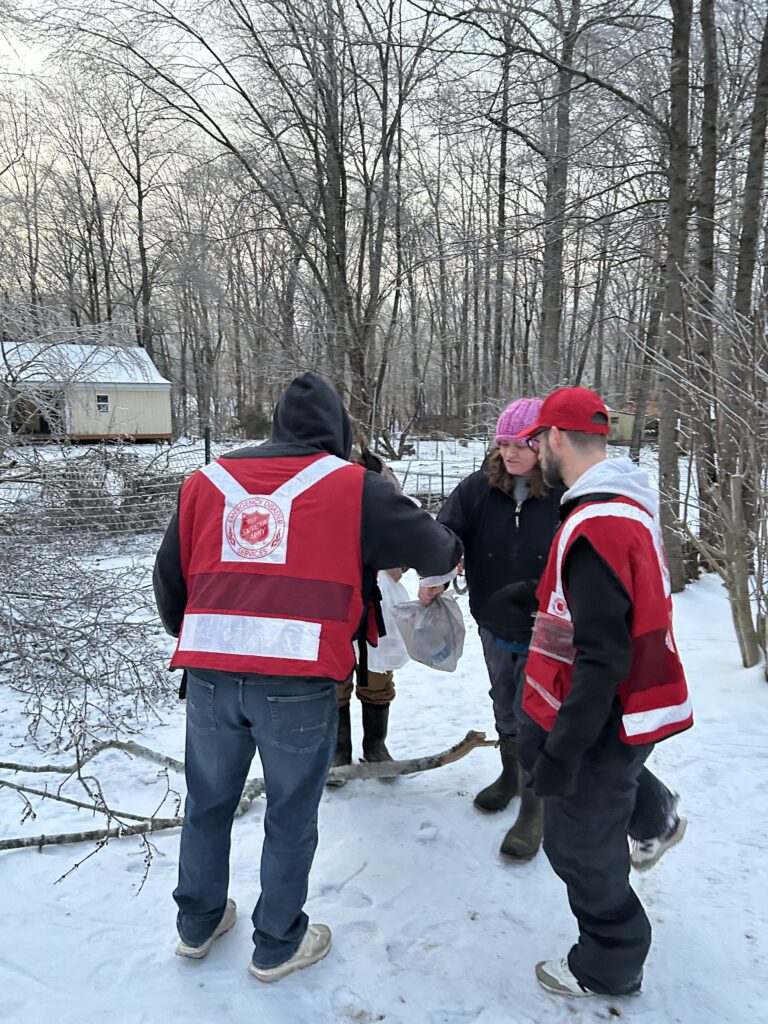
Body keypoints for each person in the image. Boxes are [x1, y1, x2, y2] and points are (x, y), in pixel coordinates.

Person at [153, 372, 462, 982]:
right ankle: (276, 943)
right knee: (291, 813)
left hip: (210, 677)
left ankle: (196, 923)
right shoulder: (356, 488)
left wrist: (208, 639)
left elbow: (170, 583)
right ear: (339, 433)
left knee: (208, 803)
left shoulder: (206, 483)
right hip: (298, 685)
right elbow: (437, 551)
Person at [514, 386, 692, 998]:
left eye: (536, 440)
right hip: (622, 715)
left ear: (554, 438)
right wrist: (534, 603)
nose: (534, 451)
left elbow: (601, 657)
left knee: (581, 850)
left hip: (598, 723)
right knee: (599, 820)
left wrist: (560, 754)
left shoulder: (597, 523)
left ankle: (610, 963)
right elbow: (606, 611)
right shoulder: (622, 505)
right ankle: (655, 814)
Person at [419, 398, 562, 860]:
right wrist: (434, 574)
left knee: (539, 710)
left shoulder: (566, 491)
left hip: (551, 626)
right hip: (495, 619)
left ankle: (535, 807)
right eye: (503, 443)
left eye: (520, 444)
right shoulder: (478, 488)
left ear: (544, 444)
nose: (510, 453)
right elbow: (448, 533)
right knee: (504, 698)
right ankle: (511, 775)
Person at [333, 441, 405, 766]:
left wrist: (393, 558)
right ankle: (338, 752)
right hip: (333, 591)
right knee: (334, 674)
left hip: (378, 592)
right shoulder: (316, 481)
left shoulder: (382, 481)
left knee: (376, 674)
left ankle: (376, 747)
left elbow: (404, 534)